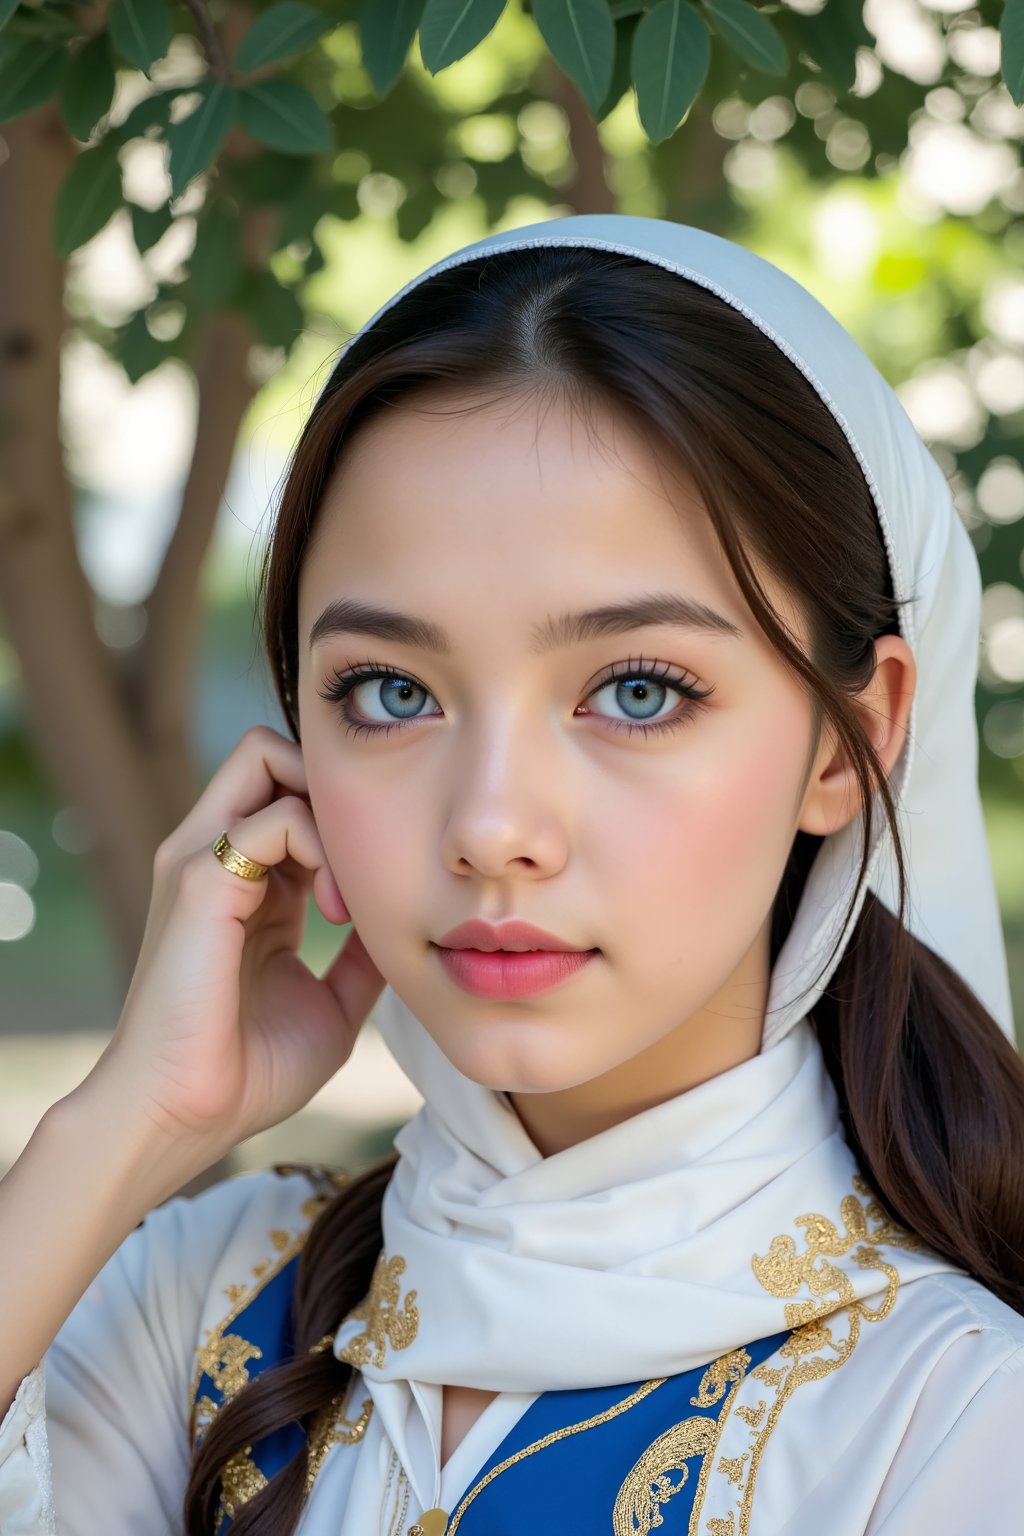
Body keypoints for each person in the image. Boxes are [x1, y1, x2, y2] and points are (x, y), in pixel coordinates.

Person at [2, 213, 1023, 1536]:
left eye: (638, 689)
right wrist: (121, 1131)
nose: (491, 827)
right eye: (389, 691)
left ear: (850, 738)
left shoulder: (945, 1421)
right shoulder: (198, 1305)